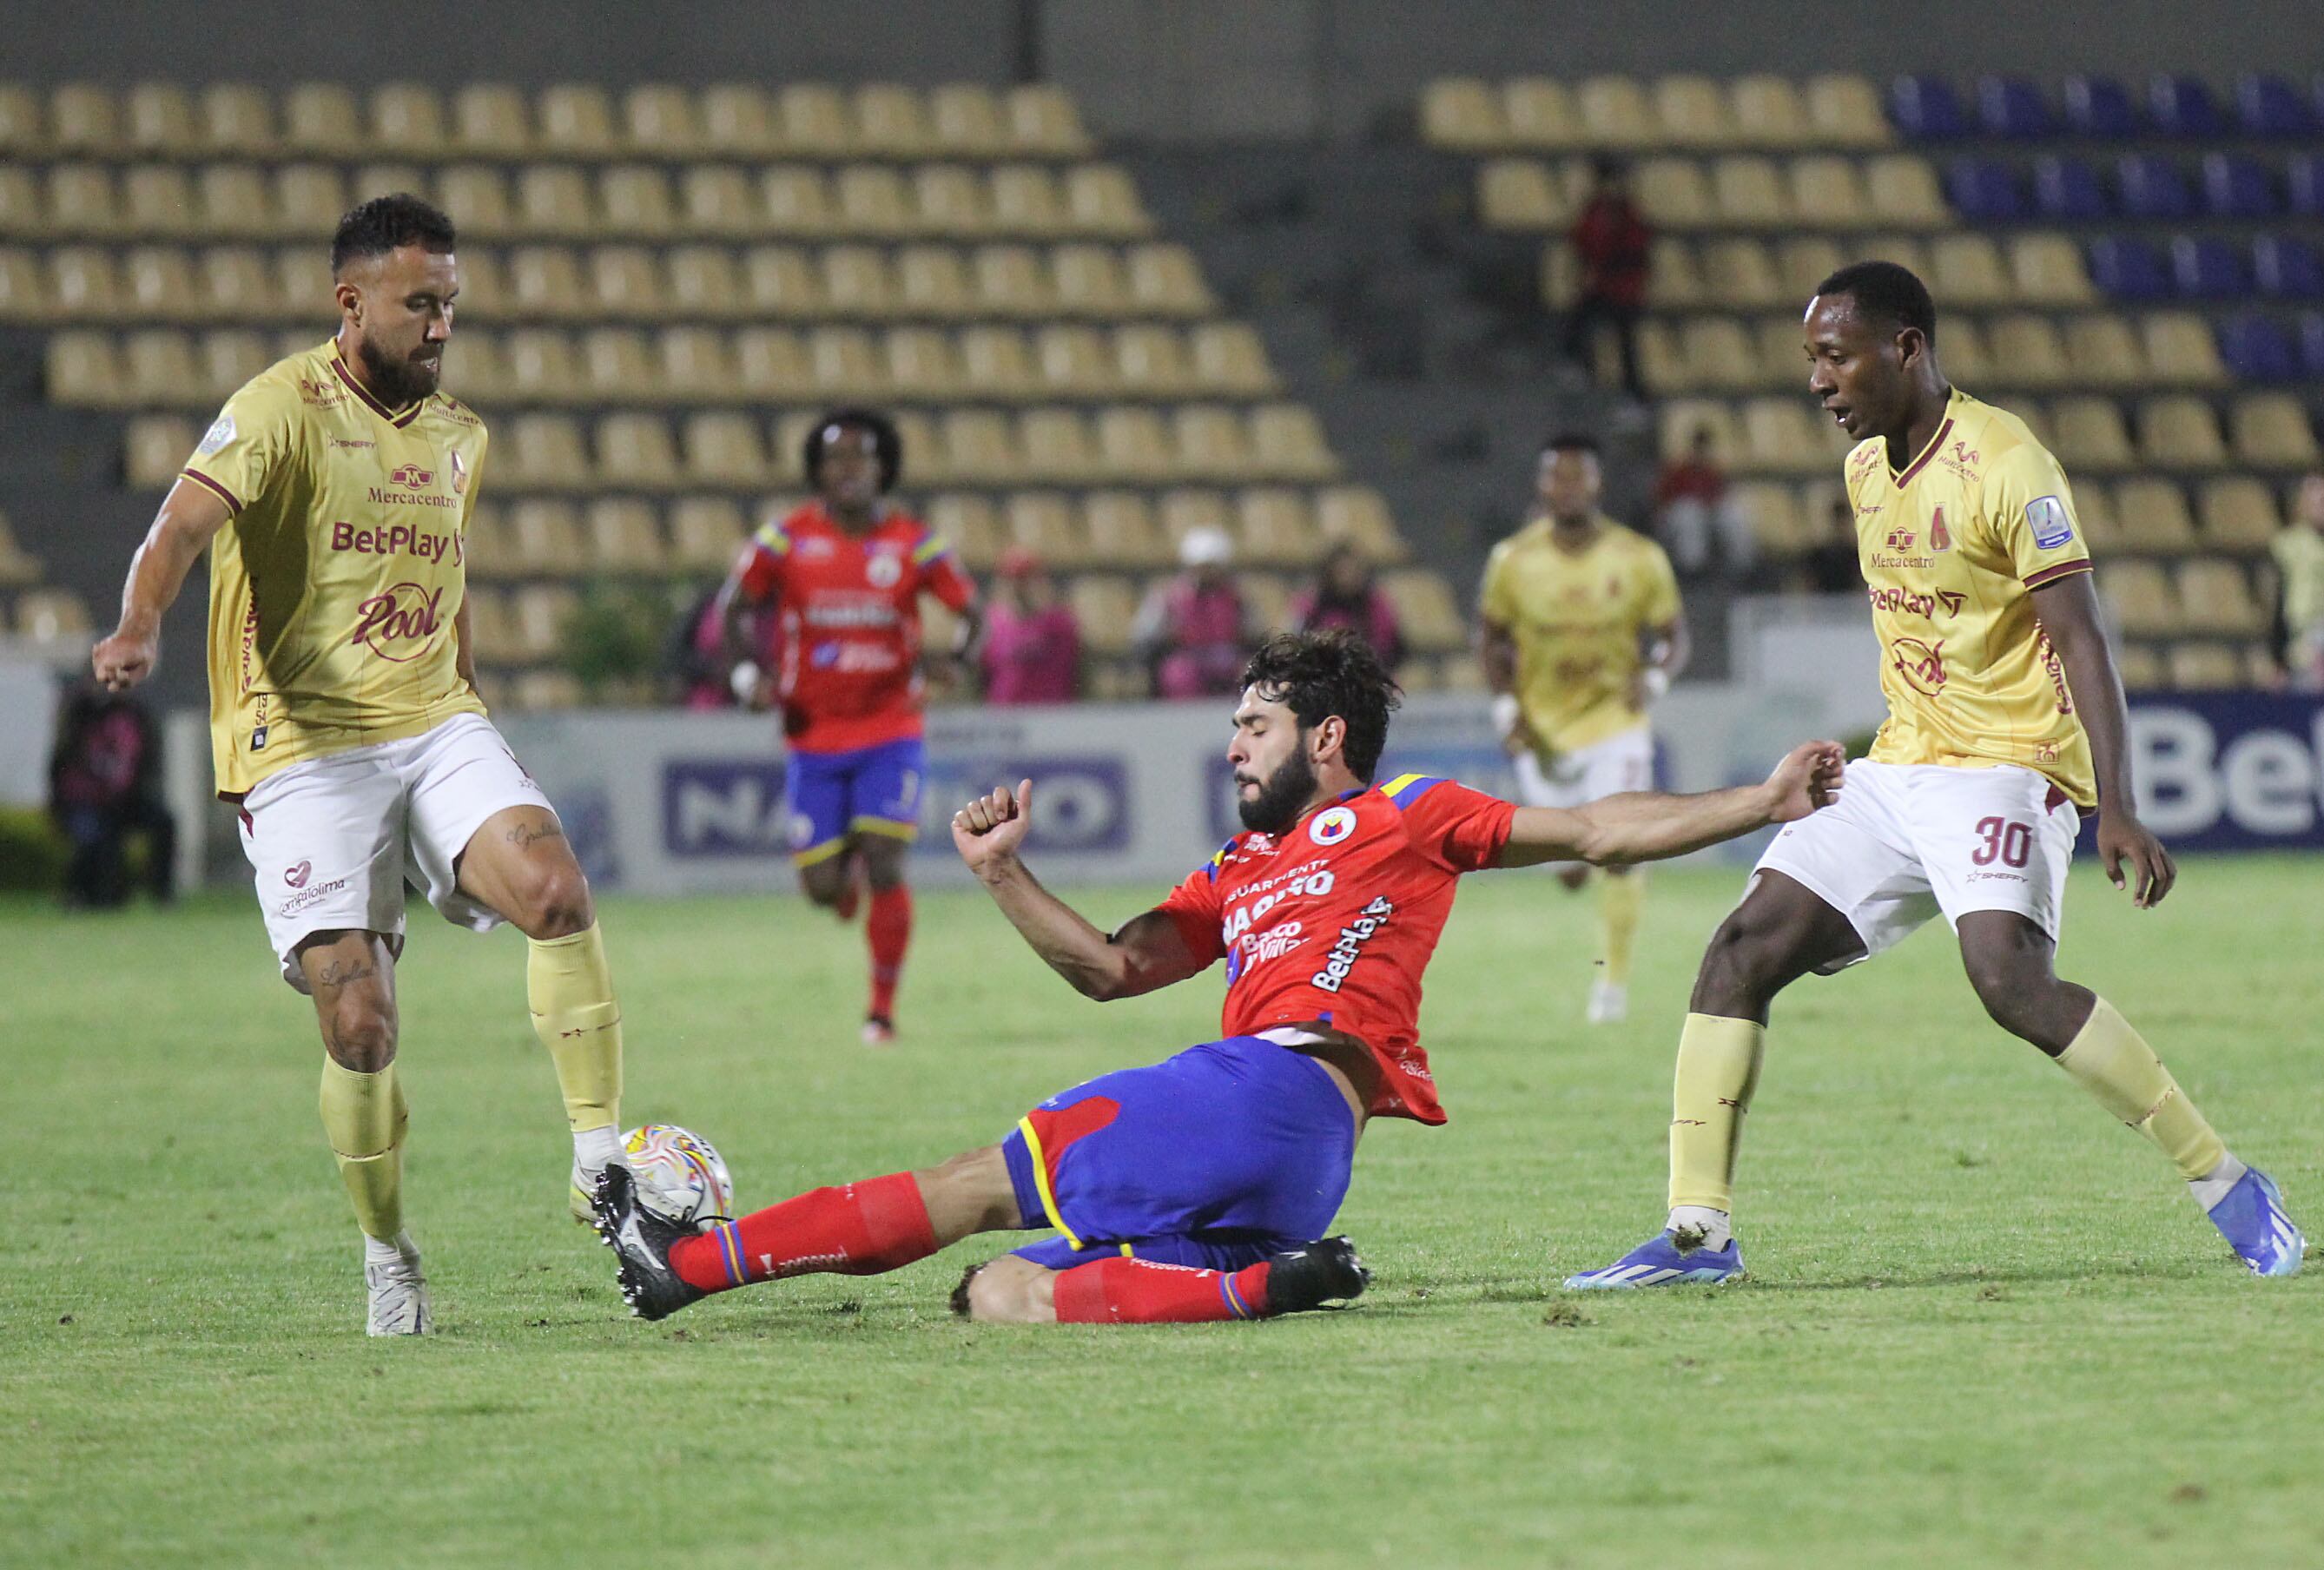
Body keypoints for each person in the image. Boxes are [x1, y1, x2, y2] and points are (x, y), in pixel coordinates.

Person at [588, 630, 1849, 1325]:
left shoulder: (1408, 814)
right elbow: (1113, 969)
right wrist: (1000, 874)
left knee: (978, 1186)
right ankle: (1259, 1281)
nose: (1232, 745)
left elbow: (1596, 831)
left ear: (1326, 737)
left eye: (1254, 726)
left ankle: (688, 1265)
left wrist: (1759, 800)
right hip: (1302, 1157)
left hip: (1269, 1093)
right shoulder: (1238, 868)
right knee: (1002, 1295)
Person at [1568, 261, 2305, 1290]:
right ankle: (1699, 1237)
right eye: (1810, 359)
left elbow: (2083, 637)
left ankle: (2227, 1182)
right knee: (1738, 948)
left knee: (2009, 983)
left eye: (1837, 355)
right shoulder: (1866, 468)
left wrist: (2118, 805)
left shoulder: (2009, 462)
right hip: (1901, 762)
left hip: (2008, 766)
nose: (1820, 380)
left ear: (1906, 347)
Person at [89, 195, 632, 1336]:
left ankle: (600, 1157)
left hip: (433, 719)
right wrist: (140, 624)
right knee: (361, 1024)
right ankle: (389, 1254)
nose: (441, 326)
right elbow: (178, 527)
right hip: (301, 744)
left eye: (451, 305)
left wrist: (472, 701)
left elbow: (450, 581)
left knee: (554, 888)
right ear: (352, 303)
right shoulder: (277, 408)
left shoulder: (459, 438)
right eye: (419, 304)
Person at [716, 408, 983, 1046]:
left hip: (891, 726)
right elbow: (733, 609)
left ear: (884, 466)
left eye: (862, 458)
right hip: (812, 734)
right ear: (817, 470)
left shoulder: (914, 543)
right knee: (822, 889)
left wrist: (959, 661)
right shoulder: (783, 541)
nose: (850, 470)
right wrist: (746, 678)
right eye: (837, 458)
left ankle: (881, 1013)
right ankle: (844, 879)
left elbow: (973, 613)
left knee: (887, 862)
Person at [1479, 432, 1688, 1025]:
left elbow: (1675, 637)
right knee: (1570, 869)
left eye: (1580, 476)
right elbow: (1490, 639)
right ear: (1542, 486)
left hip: (1616, 724)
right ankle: (1570, 866)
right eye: (1557, 477)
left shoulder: (1638, 557)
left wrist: (1653, 681)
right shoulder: (1513, 561)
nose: (1568, 487)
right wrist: (1504, 707)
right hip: (1544, 733)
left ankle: (1612, 988)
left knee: (1621, 846)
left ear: (1597, 484)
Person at [48, 680, 175, 908]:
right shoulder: (81, 716)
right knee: (96, 837)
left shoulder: (135, 716)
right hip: (86, 801)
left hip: (124, 800)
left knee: (164, 823)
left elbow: (143, 764)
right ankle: (85, 894)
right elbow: (63, 765)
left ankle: (161, 891)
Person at [1563, 157, 1651, 402]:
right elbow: (1581, 241)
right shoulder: (1595, 211)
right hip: (1604, 286)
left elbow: (1635, 253)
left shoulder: (1629, 216)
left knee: (1626, 347)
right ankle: (1578, 366)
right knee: (1578, 323)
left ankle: (1635, 399)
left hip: (1624, 291)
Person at [1134, 525, 1254, 699]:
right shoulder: (1169, 598)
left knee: (1249, 673)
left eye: (1212, 567)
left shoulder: (1238, 598)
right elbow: (1145, 638)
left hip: (1228, 659)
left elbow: (1254, 633)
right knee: (1179, 675)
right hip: (1187, 659)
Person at [980, 546, 1081, 705]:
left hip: (1051, 715)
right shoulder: (991, 623)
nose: (1020, 586)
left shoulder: (1060, 623)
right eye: (1014, 578)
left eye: (1026, 577)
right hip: (1005, 717)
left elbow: (1076, 670)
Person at [1654, 425, 1753, 577]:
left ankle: (1743, 567)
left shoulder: (1714, 472)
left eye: (1706, 448)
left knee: (1733, 514)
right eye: (1700, 447)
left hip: (1708, 517)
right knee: (1689, 512)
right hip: (1679, 519)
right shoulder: (1678, 470)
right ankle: (1692, 570)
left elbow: (1722, 498)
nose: (1702, 452)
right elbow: (1661, 500)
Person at [1291, 543, 1405, 671]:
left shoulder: (1376, 605)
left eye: (1352, 570)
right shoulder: (1313, 605)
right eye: (1342, 571)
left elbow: (1394, 647)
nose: (1347, 577)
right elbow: (1298, 642)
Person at [2267, 471, 2324, 692]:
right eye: (2316, 500)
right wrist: (2278, 661)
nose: (2320, 506)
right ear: (2303, 503)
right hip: (2303, 640)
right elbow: (2279, 603)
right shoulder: (2288, 546)